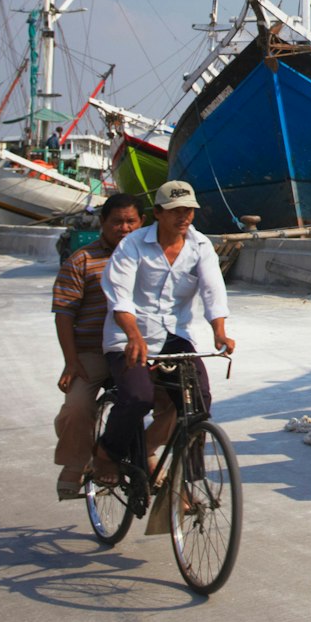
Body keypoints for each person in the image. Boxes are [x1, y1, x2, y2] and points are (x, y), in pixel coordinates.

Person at [96, 180, 235, 483]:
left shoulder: (200, 247)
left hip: (175, 335)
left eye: (188, 211)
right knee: (138, 396)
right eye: (175, 211)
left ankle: (187, 480)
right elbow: (119, 296)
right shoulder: (132, 246)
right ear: (158, 213)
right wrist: (133, 336)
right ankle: (107, 452)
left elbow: (214, 291)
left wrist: (219, 331)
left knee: (199, 403)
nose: (183, 217)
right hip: (129, 335)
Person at [52, 194, 145, 500]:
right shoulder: (81, 260)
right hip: (92, 351)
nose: (124, 228)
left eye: (131, 221)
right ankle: (76, 463)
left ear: (142, 222)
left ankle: (151, 453)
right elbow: (64, 313)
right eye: (117, 222)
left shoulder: (148, 258)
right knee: (77, 407)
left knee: (174, 400)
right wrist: (71, 361)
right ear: (102, 223)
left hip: (134, 347)